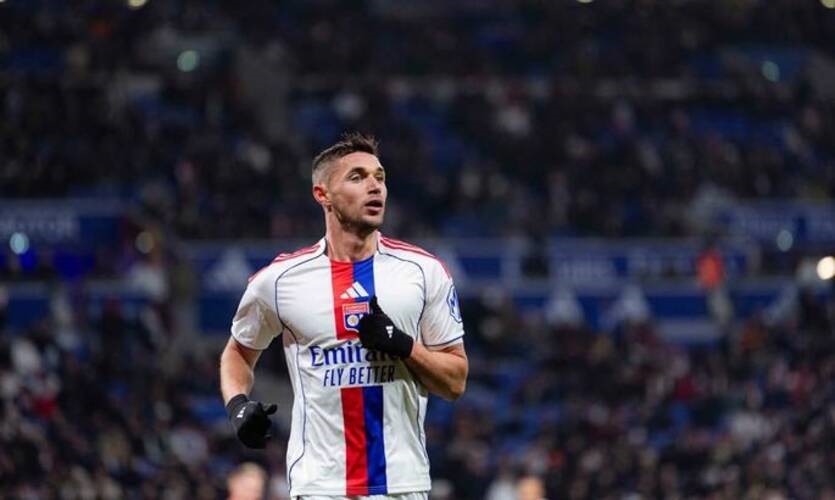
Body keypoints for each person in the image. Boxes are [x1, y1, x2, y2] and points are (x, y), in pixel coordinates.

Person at [219, 132, 469, 499]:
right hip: (319, 486)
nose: (375, 186)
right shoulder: (278, 280)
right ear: (323, 194)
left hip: (401, 484)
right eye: (357, 177)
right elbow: (238, 352)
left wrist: (403, 346)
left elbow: (456, 381)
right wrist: (237, 405)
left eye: (380, 177)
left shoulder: (424, 272)